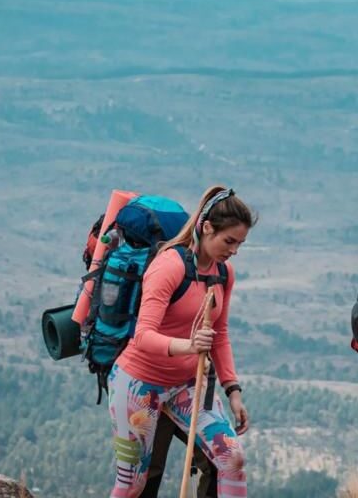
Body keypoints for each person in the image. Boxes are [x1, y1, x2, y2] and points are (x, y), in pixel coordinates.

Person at [106, 186, 255, 498]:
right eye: (229, 241)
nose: (234, 250)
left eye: (240, 243)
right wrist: (189, 346)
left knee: (232, 460)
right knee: (132, 483)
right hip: (138, 384)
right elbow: (143, 336)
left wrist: (233, 390)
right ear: (206, 227)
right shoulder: (168, 266)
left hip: (188, 383)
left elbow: (220, 334)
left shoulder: (224, 273)